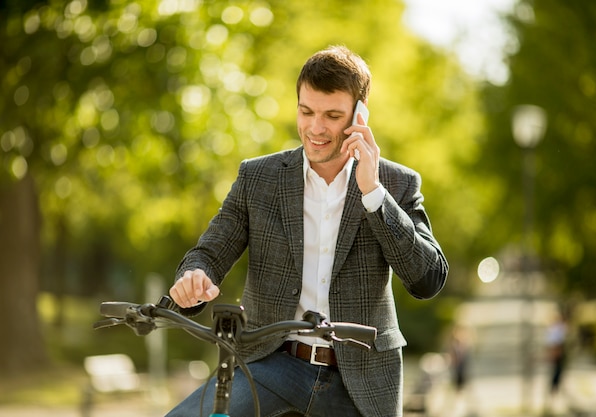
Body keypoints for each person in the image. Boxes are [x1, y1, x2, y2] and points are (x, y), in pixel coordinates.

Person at [166, 45, 448, 417]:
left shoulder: (396, 184)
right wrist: (194, 277)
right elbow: (209, 252)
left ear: (360, 115)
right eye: (306, 111)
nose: (315, 128)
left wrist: (373, 193)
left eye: (332, 115)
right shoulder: (258, 177)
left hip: (360, 379)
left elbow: (428, 279)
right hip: (270, 365)